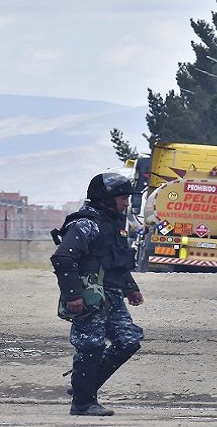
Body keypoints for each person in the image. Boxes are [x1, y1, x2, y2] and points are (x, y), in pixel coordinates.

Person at [51, 172, 144, 417]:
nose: (126, 203)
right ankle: (83, 403)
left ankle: (84, 387)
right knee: (90, 345)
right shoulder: (86, 223)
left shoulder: (111, 224)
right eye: (122, 198)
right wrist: (73, 295)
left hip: (112, 295)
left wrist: (130, 288)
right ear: (105, 198)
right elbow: (63, 257)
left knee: (128, 341)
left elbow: (115, 261)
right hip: (90, 295)